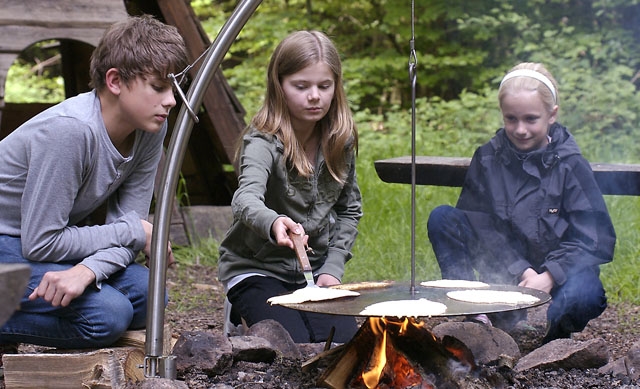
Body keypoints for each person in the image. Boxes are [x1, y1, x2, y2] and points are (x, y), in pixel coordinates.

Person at [0, 15, 186, 350]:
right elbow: (41, 242)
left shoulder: (149, 130)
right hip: (10, 237)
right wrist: (135, 231)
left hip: (34, 241)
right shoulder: (70, 131)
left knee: (150, 296)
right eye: (159, 87)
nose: (171, 100)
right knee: (108, 315)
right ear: (115, 81)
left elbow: (129, 228)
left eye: (173, 88)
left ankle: (36, 303)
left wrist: (88, 271)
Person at [427, 62, 616, 344]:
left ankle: (555, 336)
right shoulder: (488, 158)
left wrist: (549, 275)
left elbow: (597, 238)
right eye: (511, 119)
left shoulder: (571, 165)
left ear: (552, 115)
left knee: (586, 292)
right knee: (443, 217)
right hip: (506, 270)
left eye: (530, 119)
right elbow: (480, 223)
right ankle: (476, 313)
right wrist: (520, 269)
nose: (520, 129)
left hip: (558, 276)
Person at [217, 30, 362, 344]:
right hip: (258, 268)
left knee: (342, 345)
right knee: (292, 345)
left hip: (314, 273)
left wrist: (333, 268)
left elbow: (349, 211)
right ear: (279, 86)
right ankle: (238, 307)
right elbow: (245, 199)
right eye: (301, 86)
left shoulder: (340, 140)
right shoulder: (263, 140)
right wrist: (273, 222)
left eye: (324, 86)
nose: (315, 96)